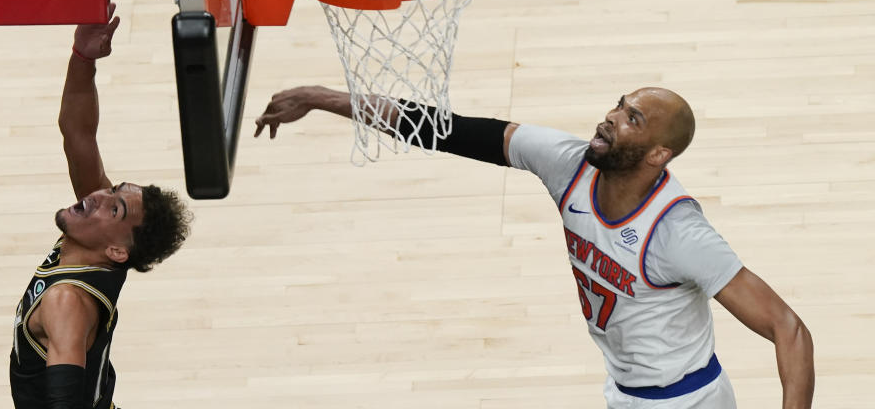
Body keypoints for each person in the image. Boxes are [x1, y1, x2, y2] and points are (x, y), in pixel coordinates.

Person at [254, 85, 814, 408]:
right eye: (619, 105)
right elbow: (449, 129)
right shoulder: (567, 162)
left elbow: (788, 328)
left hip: (687, 402)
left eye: (632, 118)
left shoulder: (677, 232)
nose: (611, 118)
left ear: (657, 155)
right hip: (626, 391)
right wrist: (324, 98)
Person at [10, 8, 193, 409]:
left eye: (115, 209)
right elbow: (78, 133)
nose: (99, 196)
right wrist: (83, 58)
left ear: (117, 249)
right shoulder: (93, 243)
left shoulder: (66, 303)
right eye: (116, 191)